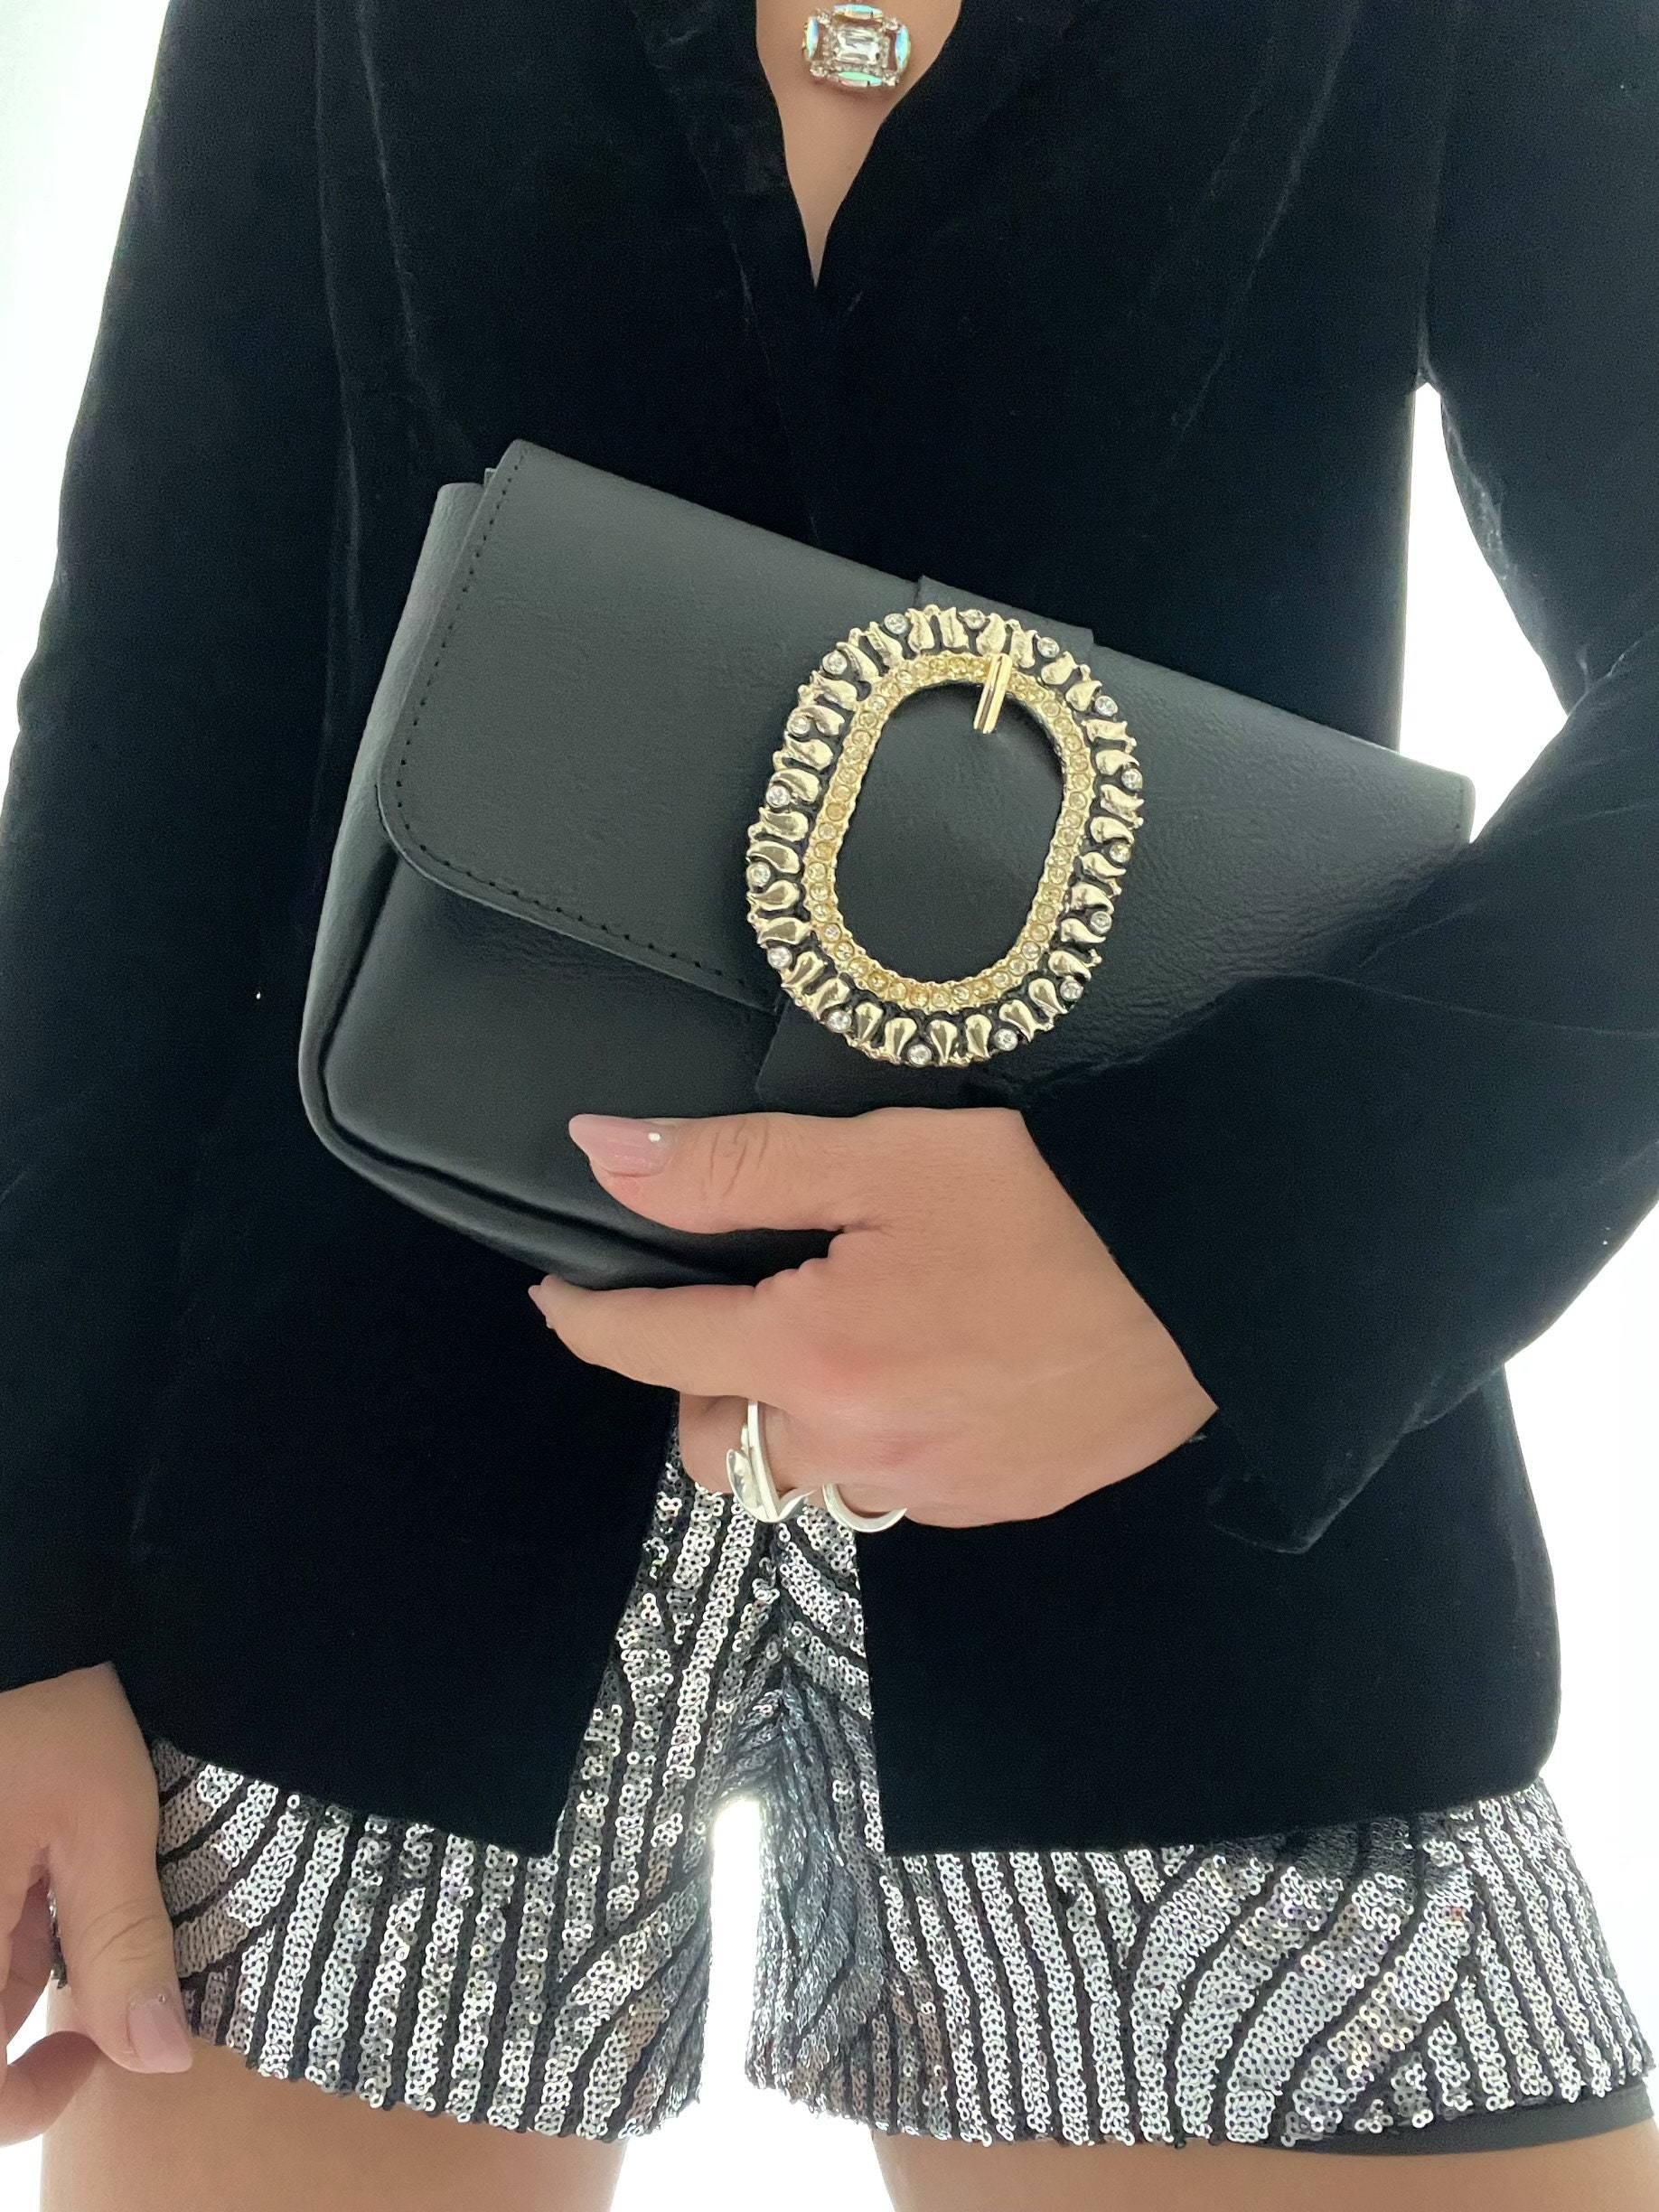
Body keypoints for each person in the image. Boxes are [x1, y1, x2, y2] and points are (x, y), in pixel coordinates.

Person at [2, 0, 1657, 2204]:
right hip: (352, 1495)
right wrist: (16, 1588)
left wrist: (1221, 1257)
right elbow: (154, 708)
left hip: (1185, 1517)